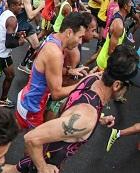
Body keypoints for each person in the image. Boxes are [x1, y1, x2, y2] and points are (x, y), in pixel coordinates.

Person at [8, 45, 139, 173]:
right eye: (129, 86)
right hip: (40, 162)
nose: (128, 91)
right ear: (116, 85)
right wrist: (43, 168)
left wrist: (100, 116)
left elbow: (76, 102)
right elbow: (32, 138)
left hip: (46, 155)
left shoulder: (93, 78)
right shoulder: (86, 118)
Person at [15, 13, 86, 130]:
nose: (80, 42)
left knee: (9, 135)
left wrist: (69, 71)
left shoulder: (53, 38)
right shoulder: (55, 53)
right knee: (37, 144)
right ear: (69, 32)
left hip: (28, 98)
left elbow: (46, 69)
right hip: (31, 106)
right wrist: (83, 84)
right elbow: (57, 93)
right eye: (79, 37)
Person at [17, 0, 45, 74]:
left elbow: (29, 16)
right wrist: (40, 7)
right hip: (21, 24)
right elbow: (30, 15)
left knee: (36, 45)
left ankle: (24, 64)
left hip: (25, 23)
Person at [96, 0, 131, 71]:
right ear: (125, 6)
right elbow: (111, 51)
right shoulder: (119, 25)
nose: (131, 5)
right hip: (106, 64)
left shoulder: (119, 16)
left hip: (106, 62)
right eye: (130, 2)